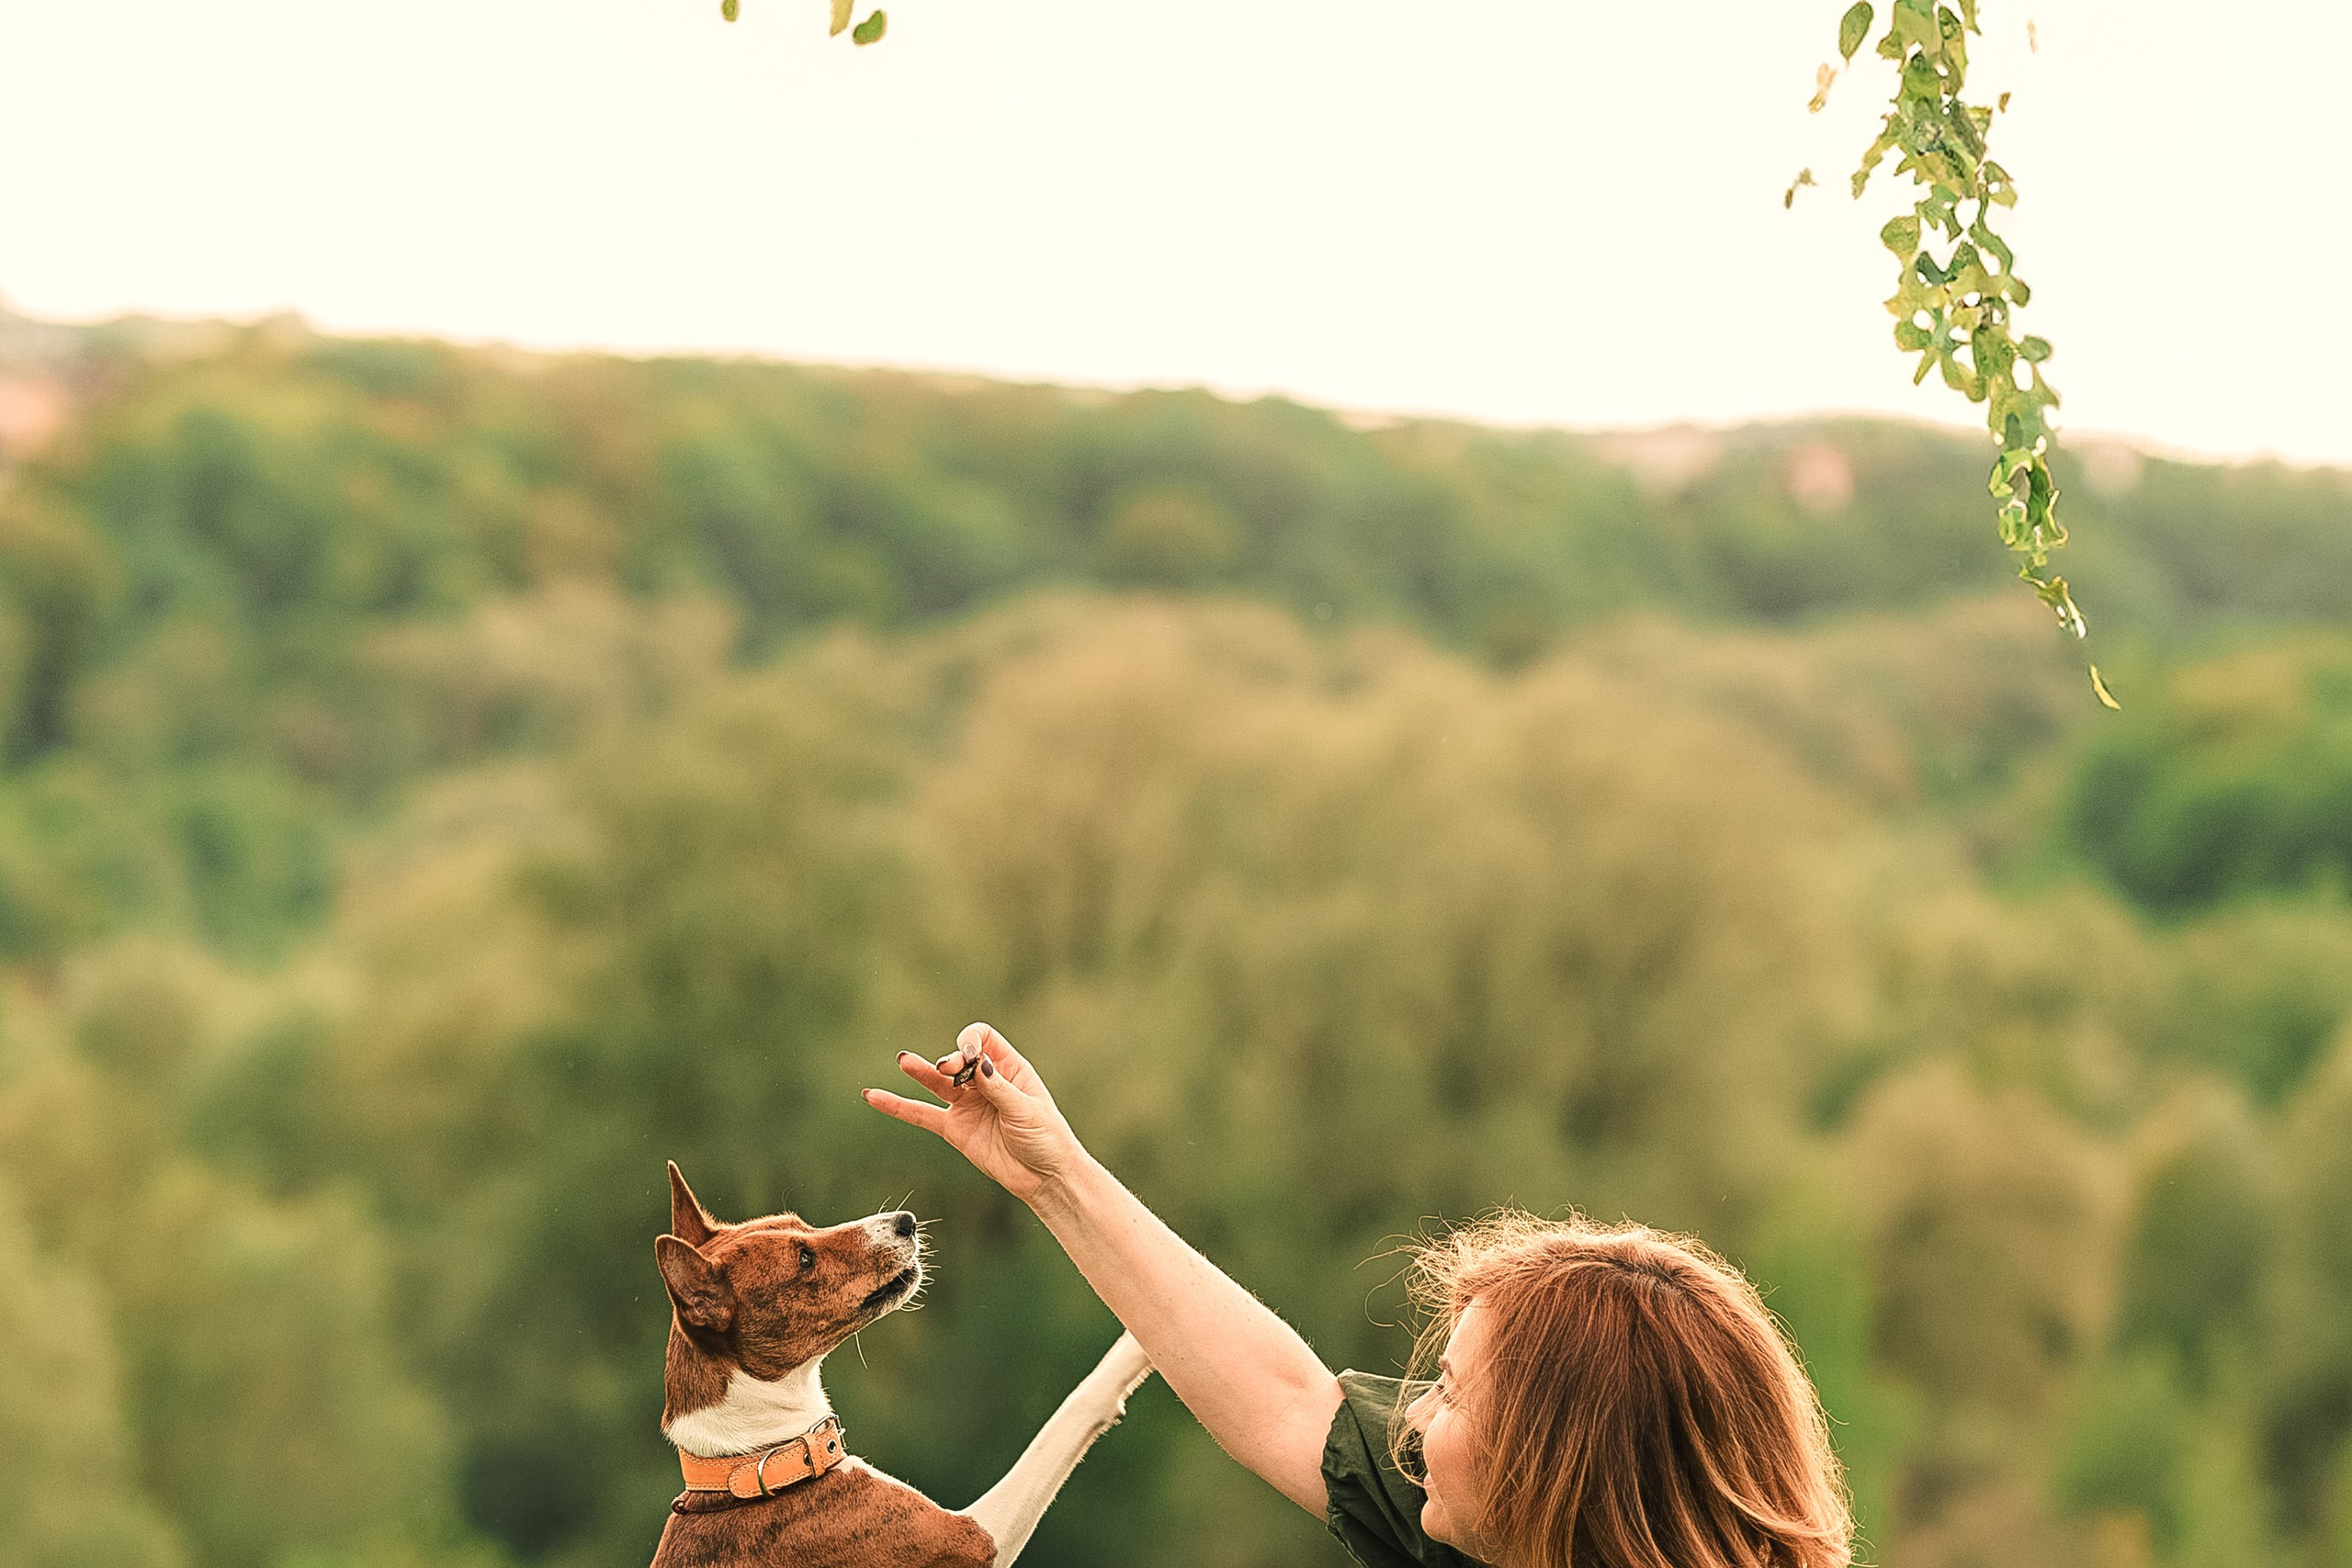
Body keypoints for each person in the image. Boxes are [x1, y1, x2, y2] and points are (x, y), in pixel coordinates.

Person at [863, 1023, 1854, 1568]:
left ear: (1559, 1467)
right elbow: (1291, 1405)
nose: (1414, 1420)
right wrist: (1055, 1174)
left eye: (1456, 1395)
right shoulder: (1491, 1539)